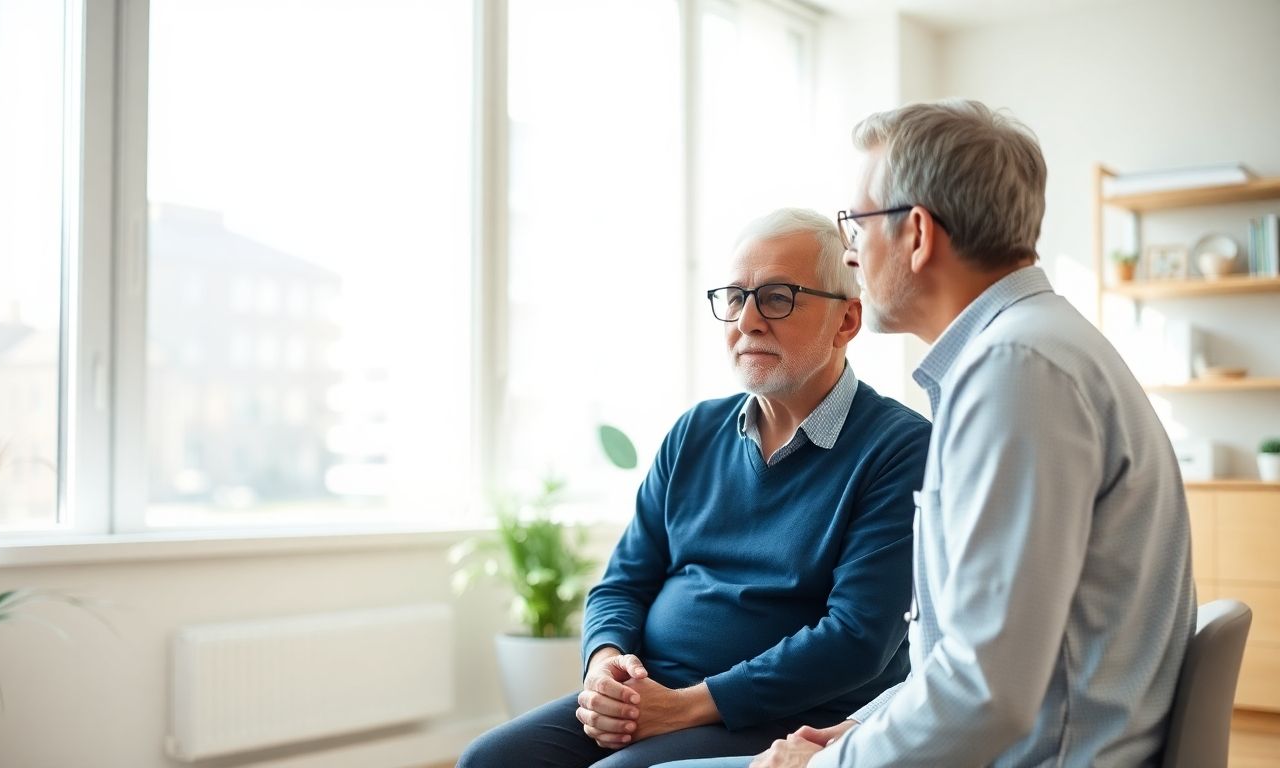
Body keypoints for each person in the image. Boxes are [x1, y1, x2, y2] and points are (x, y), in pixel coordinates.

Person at [659, 100, 1196, 768]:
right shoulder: (1038, 348)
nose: (849, 254)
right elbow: (967, 659)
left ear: (916, 233)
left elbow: (984, 693)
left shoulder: (1015, 371)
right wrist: (859, 726)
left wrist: (822, 767)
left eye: (854, 224)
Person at [457, 208, 931, 768]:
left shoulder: (900, 447)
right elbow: (622, 582)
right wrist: (605, 667)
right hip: (653, 694)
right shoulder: (694, 432)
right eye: (735, 297)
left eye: (778, 297)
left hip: (786, 717)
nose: (748, 321)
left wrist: (684, 708)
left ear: (846, 321)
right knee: (486, 761)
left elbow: (857, 639)